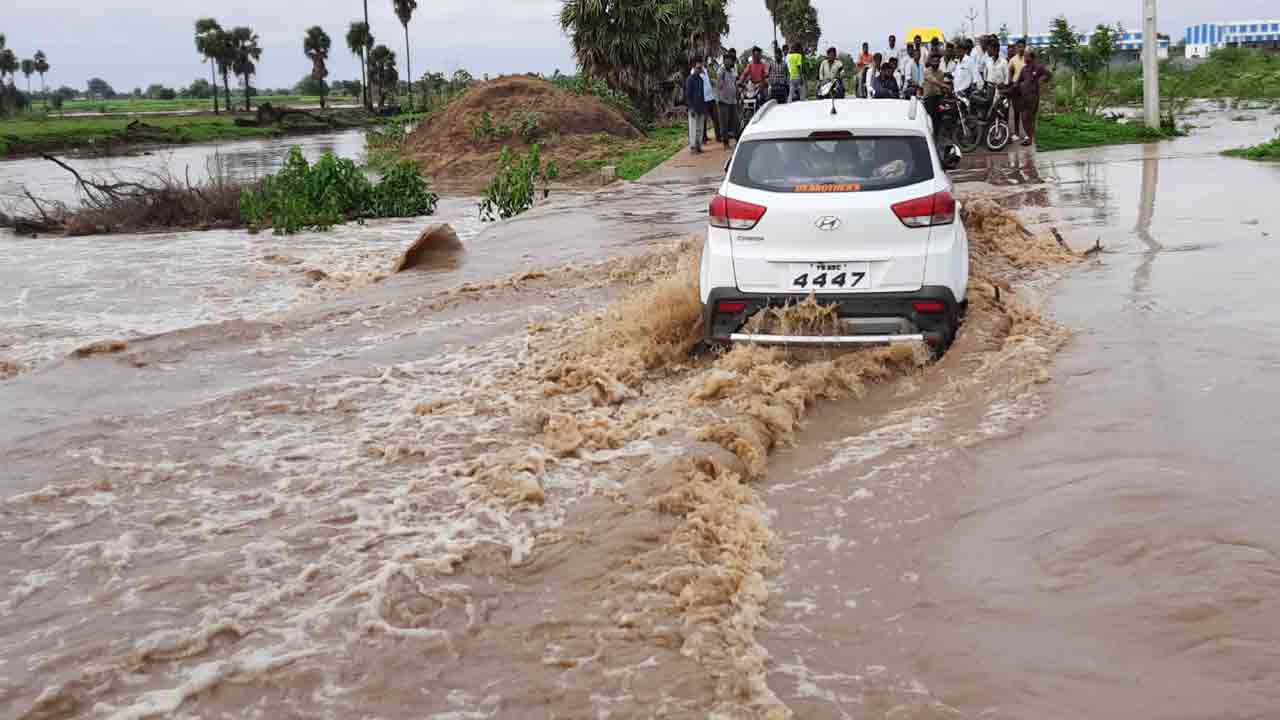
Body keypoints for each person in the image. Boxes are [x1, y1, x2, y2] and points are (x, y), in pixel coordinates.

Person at [1016, 50, 1052, 147]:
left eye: (1026, 57)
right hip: (1023, 97)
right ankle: (1029, 136)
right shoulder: (1024, 69)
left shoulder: (1039, 67)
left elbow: (1049, 74)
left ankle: (1030, 138)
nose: (1025, 58)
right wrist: (1018, 86)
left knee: (1029, 117)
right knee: (1024, 117)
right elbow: (1018, 81)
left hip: (1033, 96)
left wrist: (1042, 79)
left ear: (1032, 58)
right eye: (1024, 57)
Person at [922, 55, 951, 133]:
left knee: (938, 118)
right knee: (929, 118)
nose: (935, 63)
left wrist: (946, 89)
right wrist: (945, 85)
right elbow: (933, 80)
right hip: (929, 98)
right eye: (933, 61)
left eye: (937, 61)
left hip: (938, 98)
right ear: (931, 62)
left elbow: (942, 86)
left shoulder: (941, 73)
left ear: (939, 62)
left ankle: (937, 135)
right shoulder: (927, 71)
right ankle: (929, 134)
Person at [717, 51, 739, 150]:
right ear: (724, 61)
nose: (729, 63)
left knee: (735, 122)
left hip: (733, 101)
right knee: (724, 124)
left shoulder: (732, 70)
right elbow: (720, 86)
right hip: (724, 102)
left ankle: (738, 141)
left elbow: (734, 84)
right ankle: (725, 144)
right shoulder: (720, 71)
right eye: (727, 61)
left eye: (730, 61)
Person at [685, 59, 707, 154]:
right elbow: (688, 95)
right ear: (693, 68)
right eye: (698, 68)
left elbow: (702, 95)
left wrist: (704, 109)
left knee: (700, 128)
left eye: (700, 68)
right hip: (693, 108)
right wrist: (691, 108)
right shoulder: (690, 79)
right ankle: (693, 147)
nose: (699, 69)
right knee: (693, 128)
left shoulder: (701, 80)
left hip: (701, 107)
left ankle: (698, 146)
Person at [1008, 40, 1027, 140]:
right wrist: (1011, 82)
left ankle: (1027, 133)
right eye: (1019, 47)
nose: (1021, 49)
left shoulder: (1027, 59)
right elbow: (1010, 73)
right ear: (1016, 48)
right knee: (1016, 111)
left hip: (1025, 88)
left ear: (1025, 47)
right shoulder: (1012, 60)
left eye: (1022, 47)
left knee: (1025, 111)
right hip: (1015, 88)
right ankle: (1016, 133)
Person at [701, 59, 719, 144]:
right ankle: (703, 137)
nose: (705, 63)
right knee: (704, 120)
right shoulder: (694, 71)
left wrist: (713, 82)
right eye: (703, 62)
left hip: (711, 97)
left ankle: (718, 136)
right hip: (703, 99)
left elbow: (708, 81)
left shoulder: (705, 70)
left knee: (715, 118)